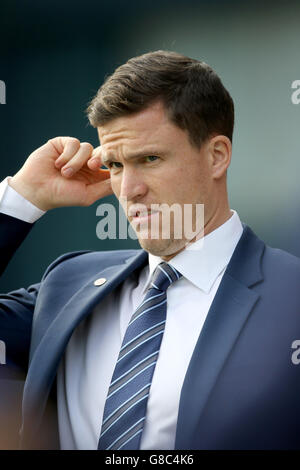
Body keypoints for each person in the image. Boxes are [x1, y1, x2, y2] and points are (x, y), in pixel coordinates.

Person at [0, 50, 300, 450]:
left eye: (150, 159)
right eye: (116, 166)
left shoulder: (292, 296)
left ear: (217, 156)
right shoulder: (66, 287)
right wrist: (21, 198)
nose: (128, 191)